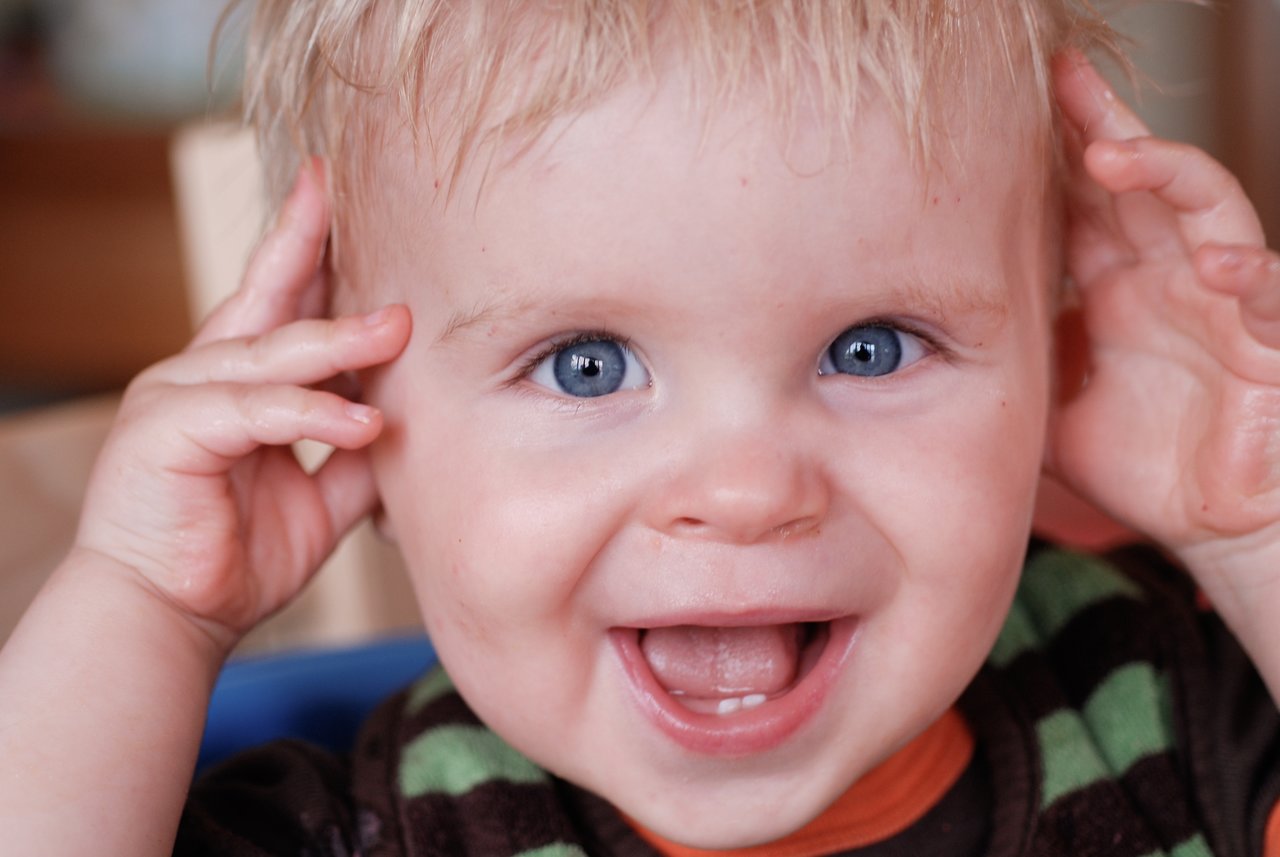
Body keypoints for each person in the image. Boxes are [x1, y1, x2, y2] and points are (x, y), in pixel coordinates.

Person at [3, 1, 1279, 854]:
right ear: (362, 418)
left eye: (868, 347)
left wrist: (1256, 532)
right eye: (585, 363)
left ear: (1053, 363)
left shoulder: (1171, 706)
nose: (740, 488)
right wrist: (146, 609)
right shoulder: (380, 827)